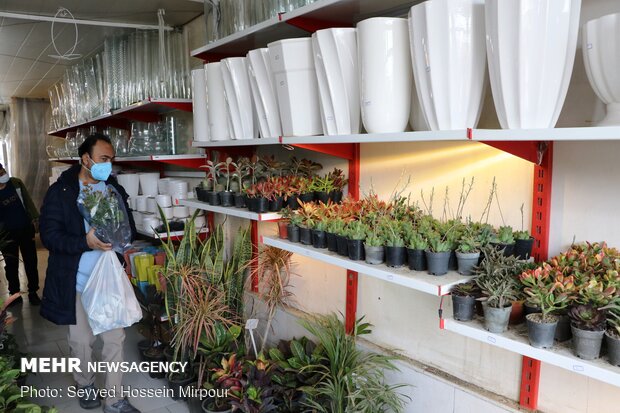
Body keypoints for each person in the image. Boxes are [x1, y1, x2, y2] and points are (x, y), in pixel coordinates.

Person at [39, 134, 140, 413]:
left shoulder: (112, 190)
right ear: (86, 158)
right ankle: (85, 384)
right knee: (81, 341)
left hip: (108, 280)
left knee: (115, 339)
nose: (108, 165)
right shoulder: (62, 192)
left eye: (111, 160)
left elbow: (127, 226)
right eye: (104, 159)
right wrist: (84, 242)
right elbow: (50, 236)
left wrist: (122, 247)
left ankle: (115, 399)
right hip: (78, 280)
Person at [0, 162, 40, 306]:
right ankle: (15, 294)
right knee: (11, 265)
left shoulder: (16, 183)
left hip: (25, 229)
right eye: (0, 173)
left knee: (31, 262)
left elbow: (28, 202)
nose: (3, 174)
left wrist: (35, 219)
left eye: (3, 170)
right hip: (6, 235)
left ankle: (33, 292)